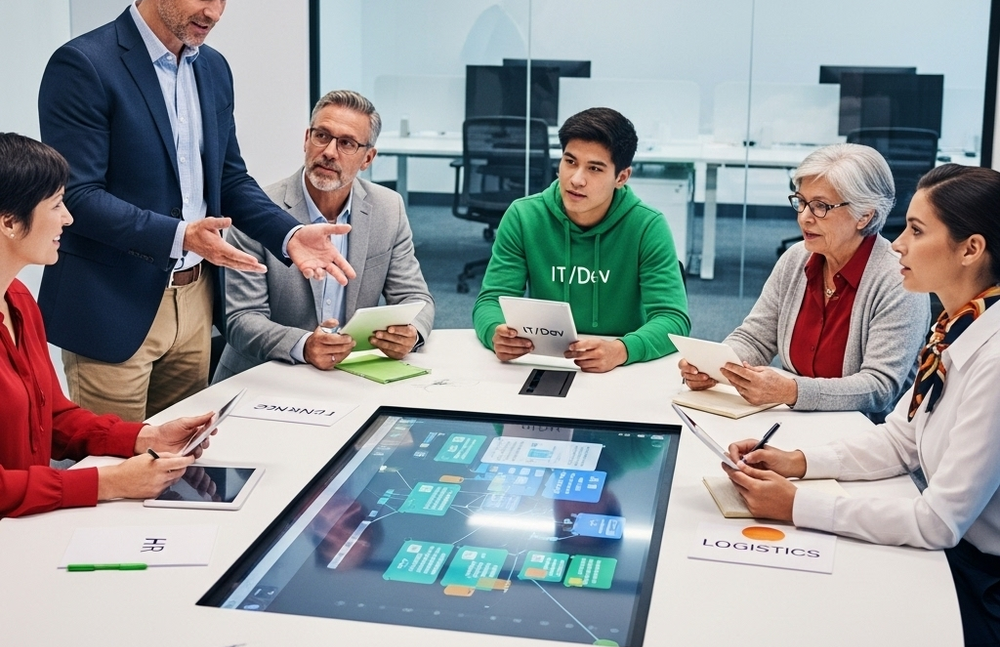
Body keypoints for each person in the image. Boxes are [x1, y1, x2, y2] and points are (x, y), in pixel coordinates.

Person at [37, 0, 355, 422]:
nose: (215, 12)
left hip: (195, 304)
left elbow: (228, 179)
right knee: (117, 472)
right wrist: (182, 234)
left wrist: (291, 234)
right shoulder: (85, 65)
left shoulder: (213, 68)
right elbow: (78, 196)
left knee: (182, 463)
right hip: (112, 307)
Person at [724, 164, 1000, 647]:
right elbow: (899, 442)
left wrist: (797, 505)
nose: (896, 245)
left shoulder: (993, 358)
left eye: (916, 231)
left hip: (987, 589)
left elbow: (936, 523)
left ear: (971, 249)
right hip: (959, 558)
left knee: (838, 626)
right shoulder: (959, 327)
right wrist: (797, 462)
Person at [0, 133, 215, 518]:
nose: (68, 217)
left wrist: (145, 436)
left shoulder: (19, 301)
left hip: (30, 526)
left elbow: (55, 419)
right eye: (56, 205)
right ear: (11, 223)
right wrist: (109, 482)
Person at [679, 143, 929, 418]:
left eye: (820, 206)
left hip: (863, 436)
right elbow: (756, 337)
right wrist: (716, 367)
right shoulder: (796, 259)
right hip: (794, 420)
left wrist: (791, 391)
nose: (804, 217)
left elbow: (878, 388)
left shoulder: (899, 281)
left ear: (865, 215)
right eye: (801, 202)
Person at [214, 90, 435, 379]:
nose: (329, 151)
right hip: (263, 377)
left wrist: (411, 333)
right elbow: (241, 319)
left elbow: (415, 297)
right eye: (322, 136)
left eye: (346, 143)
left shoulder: (387, 208)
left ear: (368, 158)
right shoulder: (259, 211)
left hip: (349, 377)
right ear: (307, 139)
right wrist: (304, 345)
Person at [473, 107, 690, 372]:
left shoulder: (647, 225)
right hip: (543, 362)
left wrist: (622, 350)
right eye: (570, 162)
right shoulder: (524, 216)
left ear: (621, 177)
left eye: (595, 168)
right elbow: (490, 301)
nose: (576, 179)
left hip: (621, 368)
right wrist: (495, 333)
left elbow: (673, 319)